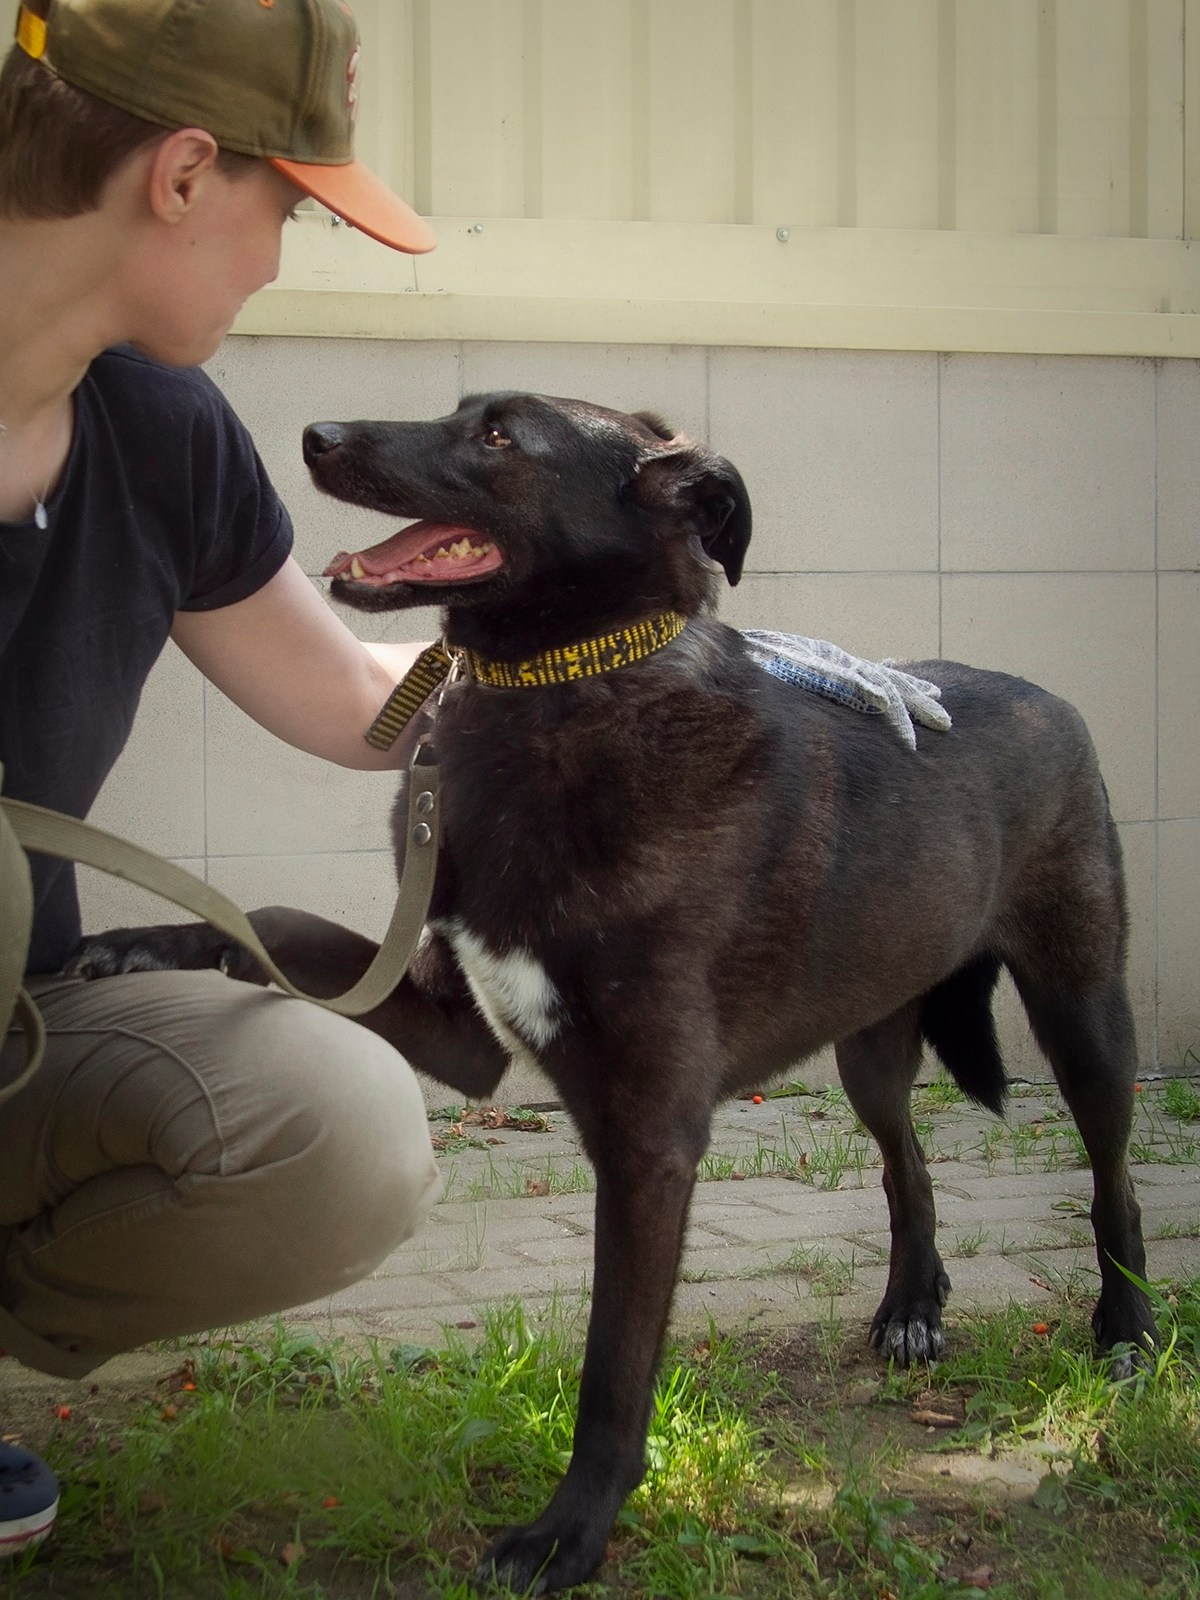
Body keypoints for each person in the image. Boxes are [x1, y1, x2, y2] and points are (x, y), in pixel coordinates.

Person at [0, 0, 444, 1556]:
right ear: (184, 175)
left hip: (18, 1030)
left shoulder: (157, 429)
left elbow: (354, 701)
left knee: (340, 1130)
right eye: (289, 210)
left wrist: (550, 653)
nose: (277, 262)